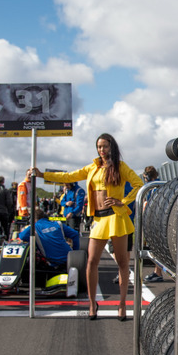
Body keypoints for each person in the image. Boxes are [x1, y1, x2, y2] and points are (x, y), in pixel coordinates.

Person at [35, 133, 142, 321]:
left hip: (117, 219)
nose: (102, 150)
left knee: (122, 263)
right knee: (92, 261)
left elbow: (138, 184)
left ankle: (123, 303)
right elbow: (68, 176)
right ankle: (93, 303)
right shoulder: (92, 167)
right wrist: (42, 174)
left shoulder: (120, 167)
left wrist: (122, 201)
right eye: (99, 147)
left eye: (105, 146)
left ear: (112, 147)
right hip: (99, 220)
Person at [141, 166, 164, 284]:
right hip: (159, 220)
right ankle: (157, 271)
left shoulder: (153, 187)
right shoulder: (159, 185)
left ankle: (158, 272)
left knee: (156, 248)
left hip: (155, 220)